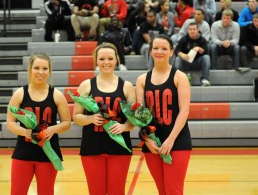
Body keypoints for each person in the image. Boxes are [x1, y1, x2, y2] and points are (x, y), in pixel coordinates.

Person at [72, 43, 136, 195]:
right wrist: (91, 119)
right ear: (96, 61)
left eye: (110, 58)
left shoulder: (127, 87)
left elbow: (133, 120)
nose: (106, 62)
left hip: (119, 148)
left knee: (117, 192)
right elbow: (76, 117)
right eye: (101, 59)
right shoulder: (86, 85)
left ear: (116, 60)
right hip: (92, 147)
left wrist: (124, 127)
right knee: (96, 192)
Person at [6, 52, 71, 195]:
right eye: (36, 68)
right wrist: (26, 132)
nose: (40, 72)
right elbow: (10, 122)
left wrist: (52, 129)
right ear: (30, 69)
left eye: (44, 68)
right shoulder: (19, 94)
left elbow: (67, 123)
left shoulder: (56, 95)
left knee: (46, 192)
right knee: (17, 192)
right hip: (23, 152)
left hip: (48, 153)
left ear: (49, 71)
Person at [135, 34, 192, 195]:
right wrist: (146, 140)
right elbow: (139, 114)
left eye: (164, 48)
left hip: (177, 140)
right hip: (152, 142)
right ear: (151, 51)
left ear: (171, 52)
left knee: (173, 190)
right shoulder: (141, 80)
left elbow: (184, 111)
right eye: (156, 48)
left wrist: (171, 140)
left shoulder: (179, 77)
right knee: (162, 191)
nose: (159, 51)